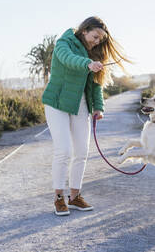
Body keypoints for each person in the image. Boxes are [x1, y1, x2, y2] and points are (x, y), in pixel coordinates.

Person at [42, 16, 129, 216]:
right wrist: (88, 63)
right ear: (85, 30)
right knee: (63, 151)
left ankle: (74, 197)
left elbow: (96, 85)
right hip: (57, 102)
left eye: (100, 40)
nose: (97, 41)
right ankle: (58, 198)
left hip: (80, 104)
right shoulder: (65, 42)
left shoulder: (96, 53)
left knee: (81, 152)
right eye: (95, 36)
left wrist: (98, 107)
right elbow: (67, 59)